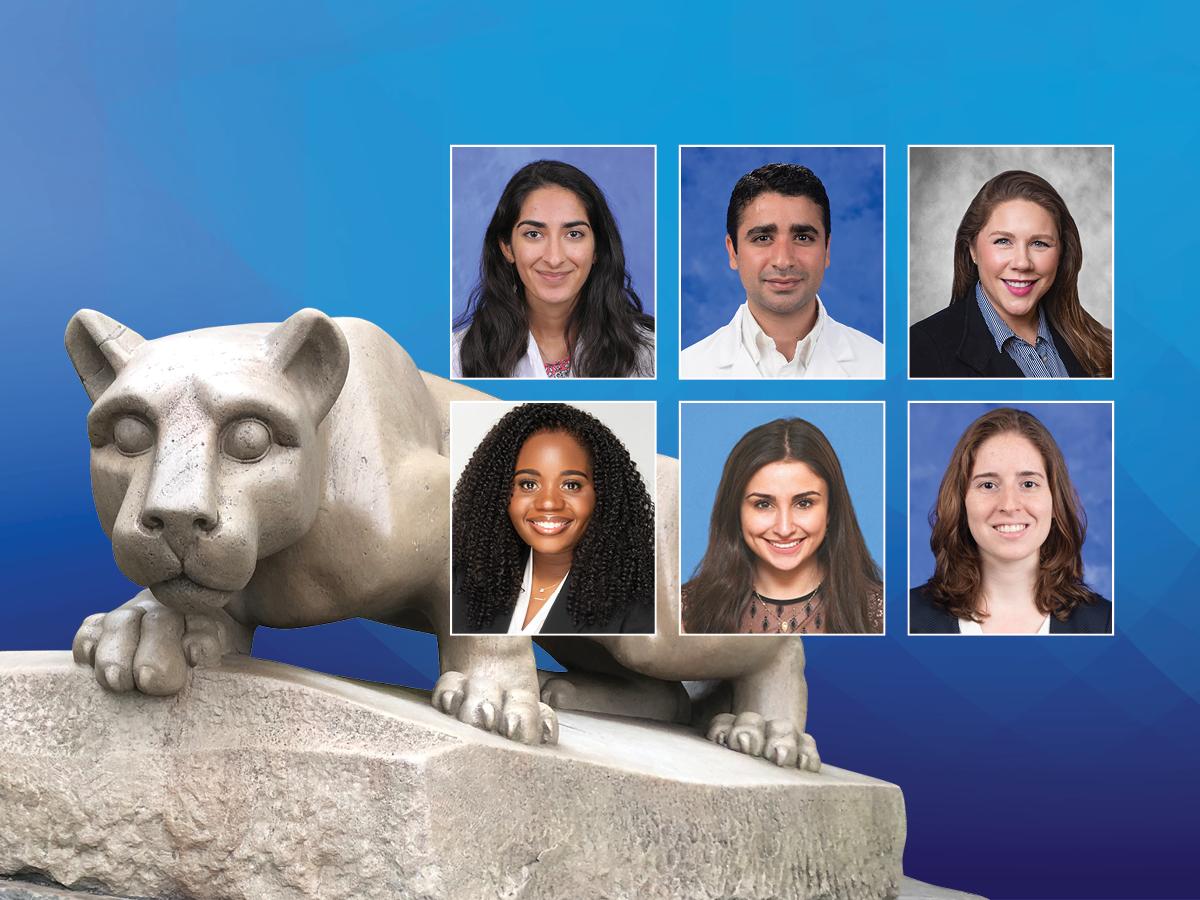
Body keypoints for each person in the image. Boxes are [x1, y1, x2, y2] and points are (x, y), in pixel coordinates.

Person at [452, 403, 655, 634]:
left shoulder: (641, 611)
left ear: (603, 494)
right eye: (528, 484)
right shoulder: (463, 582)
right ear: (498, 492)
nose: (549, 503)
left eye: (571, 485)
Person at [910, 408, 1112, 634]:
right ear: (961, 502)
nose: (1009, 504)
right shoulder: (906, 617)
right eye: (988, 485)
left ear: (1055, 501)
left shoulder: (1105, 624)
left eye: (1028, 484)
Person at [452, 160, 655, 378]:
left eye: (574, 234)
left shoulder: (652, 354)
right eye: (533, 234)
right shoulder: (456, 360)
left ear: (597, 248)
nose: (554, 258)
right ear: (507, 248)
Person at [680, 163, 883, 379]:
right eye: (763, 238)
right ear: (733, 252)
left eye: (803, 237)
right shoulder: (687, 370)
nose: (783, 261)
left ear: (827, 249)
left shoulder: (880, 365)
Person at [682, 418, 882, 634]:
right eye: (763, 504)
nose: (784, 529)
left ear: (831, 510)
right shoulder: (684, 612)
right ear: (735, 512)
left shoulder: (883, 612)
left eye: (804, 503)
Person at [910, 170, 1113, 378]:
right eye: (1003, 241)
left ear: (1062, 253)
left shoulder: (1104, 347)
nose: (1022, 263)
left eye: (1039, 243)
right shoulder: (919, 351)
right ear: (972, 249)